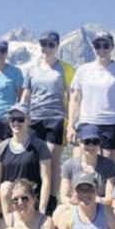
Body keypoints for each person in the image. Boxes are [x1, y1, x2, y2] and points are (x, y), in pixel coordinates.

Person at [22, 30, 75, 213]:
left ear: (57, 45)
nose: (47, 48)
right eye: (44, 44)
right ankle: (34, 198)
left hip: (56, 118)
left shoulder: (65, 69)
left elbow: (72, 95)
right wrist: (21, 115)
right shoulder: (32, 70)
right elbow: (26, 96)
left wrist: (71, 123)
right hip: (35, 119)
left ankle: (51, 202)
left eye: (51, 44)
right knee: (34, 159)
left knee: (52, 159)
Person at [67, 31, 115, 162]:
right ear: (93, 48)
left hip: (112, 124)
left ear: (112, 47)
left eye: (105, 45)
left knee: (108, 170)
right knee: (80, 166)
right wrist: (70, 125)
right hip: (86, 122)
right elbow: (74, 99)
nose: (101, 49)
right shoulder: (83, 70)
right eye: (98, 46)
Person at [0, 103, 52, 218]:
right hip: (8, 196)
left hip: (28, 196)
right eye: (12, 119)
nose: (16, 123)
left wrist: (42, 209)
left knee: (6, 189)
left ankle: (10, 227)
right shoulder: (2, 147)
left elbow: (46, 180)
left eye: (20, 119)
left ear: (28, 121)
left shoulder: (40, 147)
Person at [57, 124, 115, 219]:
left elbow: (109, 199)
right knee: (59, 211)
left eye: (95, 142)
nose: (91, 146)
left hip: (100, 207)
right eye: (87, 142)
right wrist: (77, 203)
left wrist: (91, 201)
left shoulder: (109, 165)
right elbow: (63, 197)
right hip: (76, 206)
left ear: (100, 143)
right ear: (79, 142)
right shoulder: (68, 165)